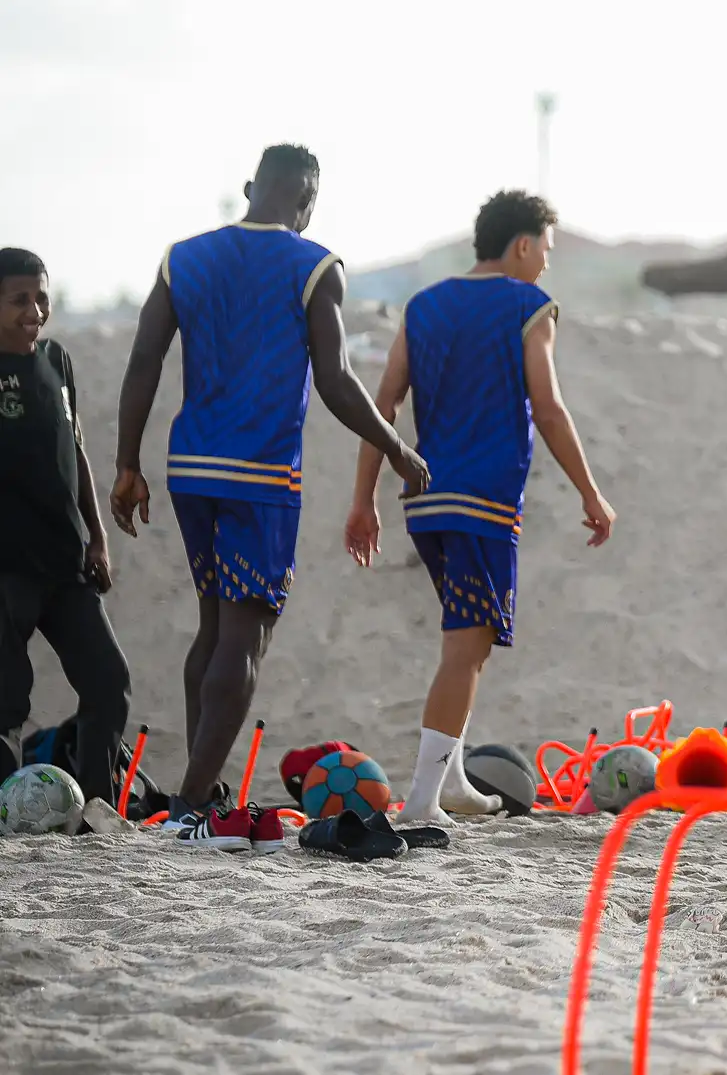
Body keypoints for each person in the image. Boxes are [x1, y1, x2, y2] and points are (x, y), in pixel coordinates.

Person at [112, 144, 429, 849]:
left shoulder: (182, 257)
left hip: (190, 468)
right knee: (245, 634)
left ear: (251, 186)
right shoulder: (314, 265)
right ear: (308, 203)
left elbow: (143, 360)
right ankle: (193, 804)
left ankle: (202, 791)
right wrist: (397, 448)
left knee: (212, 626)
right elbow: (335, 379)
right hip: (260, 475)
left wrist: (127, 463)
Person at [345, 191, 614, 829]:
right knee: (465, 648)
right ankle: (422, 800)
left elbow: (384, 404)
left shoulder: (423, 304)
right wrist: (589, 491)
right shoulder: (528, 305)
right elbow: (548, 407)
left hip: (426, 503)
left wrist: (364, 497)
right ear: (522, 244)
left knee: (470, 639)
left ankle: (454, 781)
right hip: (483, 502)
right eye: (545, 250)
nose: (545, 264)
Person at [0, 248, 132, 806]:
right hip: (9, 567)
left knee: (108, 683)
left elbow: (75, 450)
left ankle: (99, 808)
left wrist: (97, 538)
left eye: (41, 298)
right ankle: (9, 819)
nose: (34, 311)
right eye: (19, 300)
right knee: (6, 701)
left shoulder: (57, 360)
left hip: (67, 562)